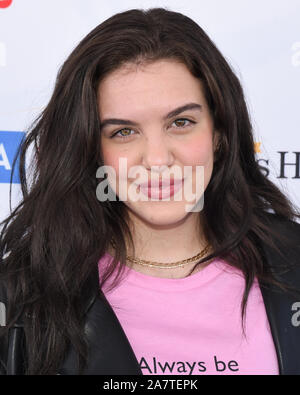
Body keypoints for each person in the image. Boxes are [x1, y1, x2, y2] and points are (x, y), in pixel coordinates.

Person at [0, 7, 300, 376]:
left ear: (220, 133)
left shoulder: (293, 261)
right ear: (92, 150)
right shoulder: (25, 297)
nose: (157, 159)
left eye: (181, 122)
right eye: (123, 132)